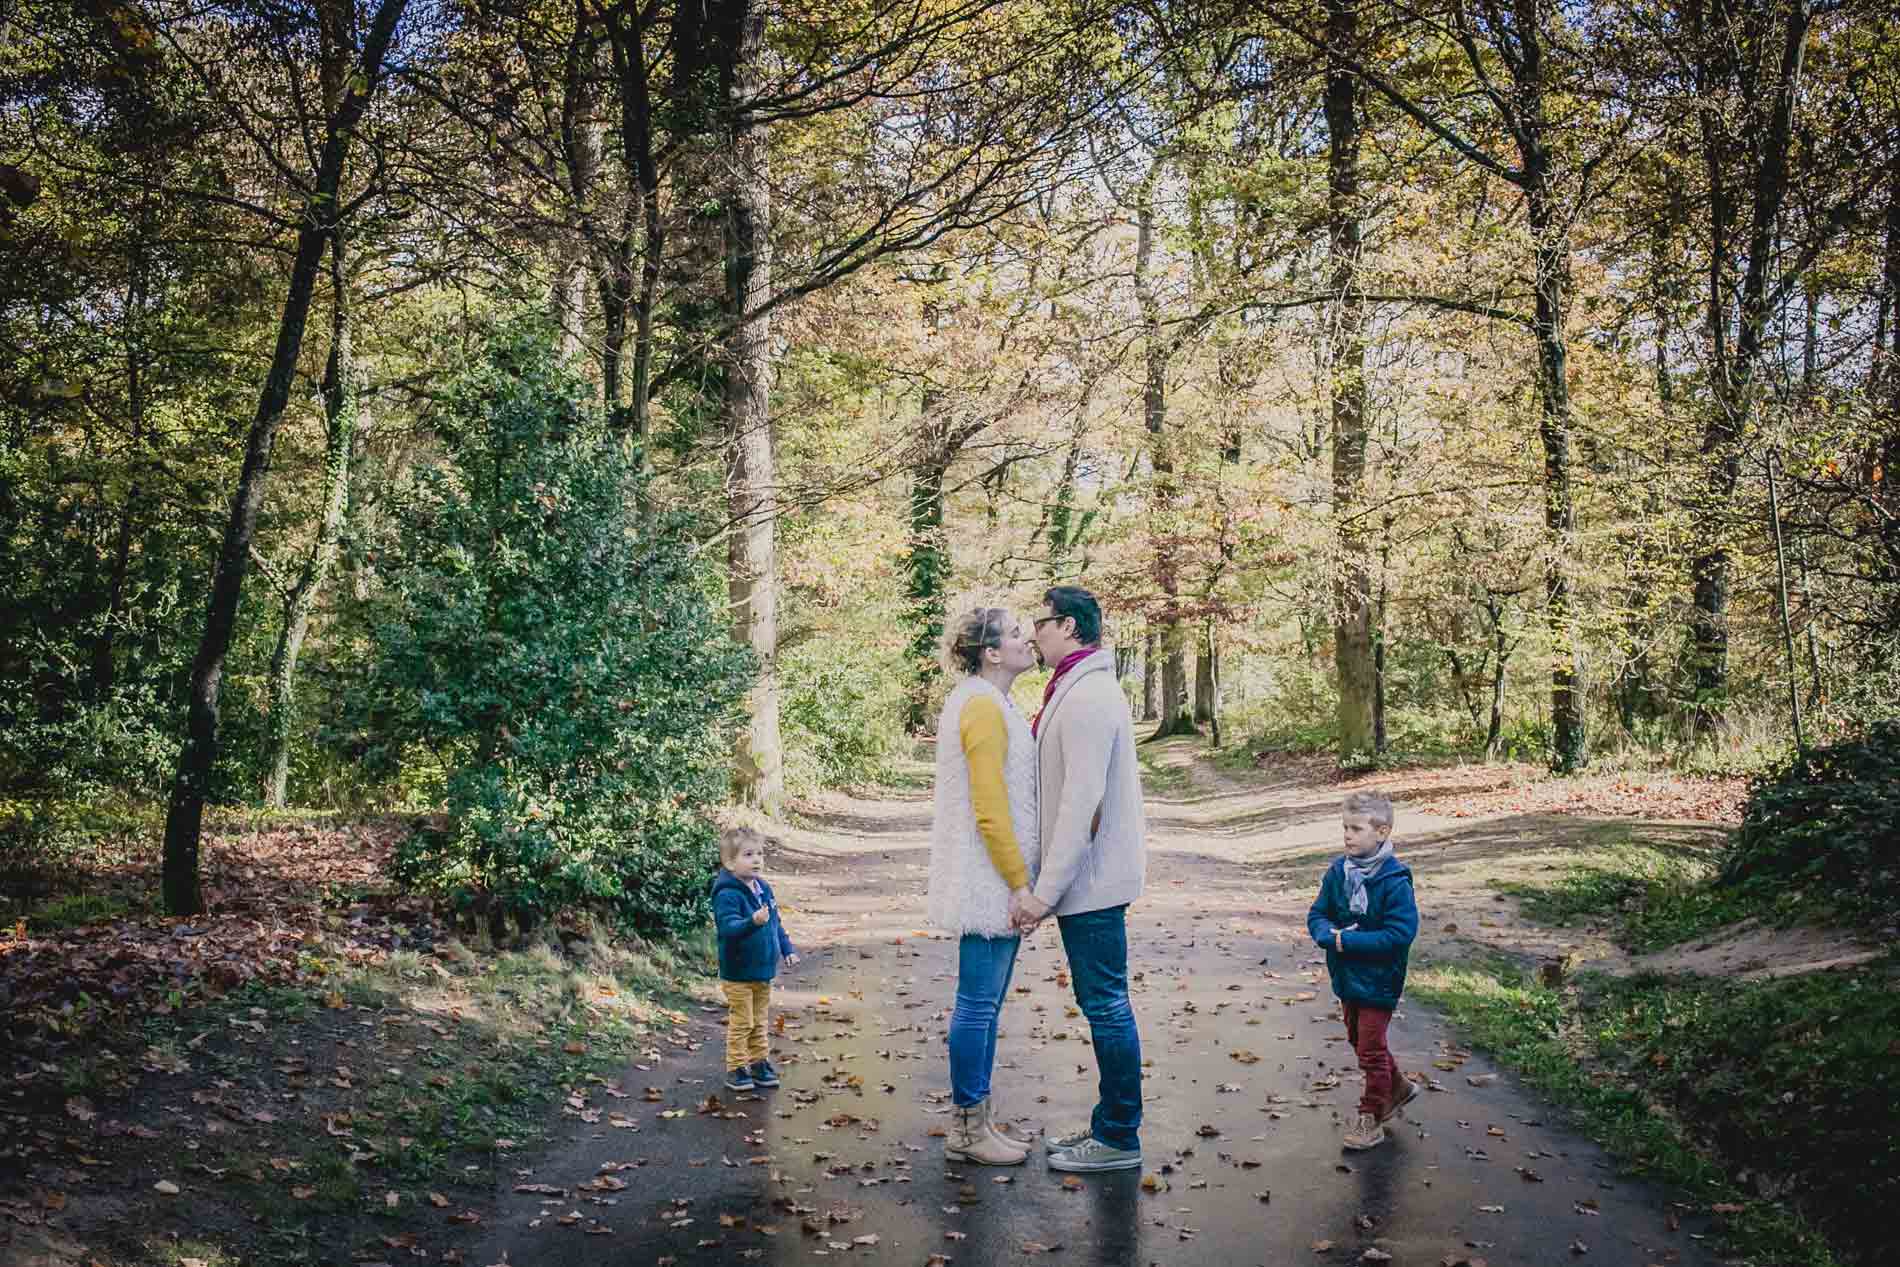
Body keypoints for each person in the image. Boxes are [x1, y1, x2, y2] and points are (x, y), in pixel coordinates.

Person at [1014, 585, 1148, 1174]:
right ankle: (1108, 1125)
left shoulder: (1091, 696)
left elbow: (1082, 804)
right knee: (1102, 1004)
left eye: (1039, 623)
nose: (1032, 633)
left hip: (1092, 885)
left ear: (1068, 627)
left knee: (1107, 1006)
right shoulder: (1076, 688)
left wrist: (1046, 890)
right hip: (1087, 884)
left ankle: (1119, 1136)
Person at [927, 605, 1041, 1166]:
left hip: (992, 873)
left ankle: (979, 1120)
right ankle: (968, 1126)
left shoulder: (990, 702)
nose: (1027, 640)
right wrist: (1020, 884)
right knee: (977, 1005)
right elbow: (990, 806)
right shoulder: (981, 706)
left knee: (986, 1004)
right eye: (1017, 633)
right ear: (991, 652)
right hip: (989, 877)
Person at [1306, 789, 1419, 1151]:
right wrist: (1325, 935)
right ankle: (1397, 1086)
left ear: (1381, 832)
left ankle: (1372, 1115)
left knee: (1370, 1047)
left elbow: (1400, 934)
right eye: (1345, 828)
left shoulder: (1395, 880)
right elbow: (1318, 913)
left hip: (1380, 980)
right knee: (1358, 1040)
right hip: (1346, 977)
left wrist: (1348, 942)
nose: (1347, 835)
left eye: (1356, 828)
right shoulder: (1338, 872)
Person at [710, 826, 799, 1092]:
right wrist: (751, 921)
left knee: (760, 1021)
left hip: (763, 971)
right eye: (748, 854)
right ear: (729, 862)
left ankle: (759, 1062)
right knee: (742, 1022)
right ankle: (737, 1067)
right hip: (738, 973)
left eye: (759, 853)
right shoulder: (727, 894)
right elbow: (728, 929)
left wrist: (787, 948)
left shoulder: (763, 888)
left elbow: (775, 924)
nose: (757, 859)